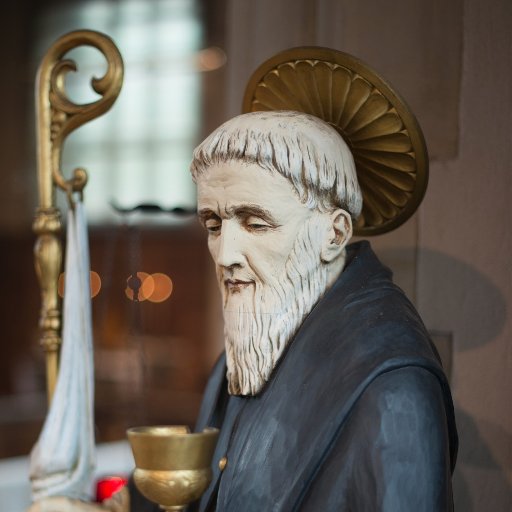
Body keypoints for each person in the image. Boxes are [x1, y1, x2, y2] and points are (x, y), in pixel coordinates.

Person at [30, 110, 458, 511]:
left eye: (255, 223)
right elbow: (208, 487)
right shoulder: (253, 346)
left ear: (334, 233)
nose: (225, 253)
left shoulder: (394, 389)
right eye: (214, 225)